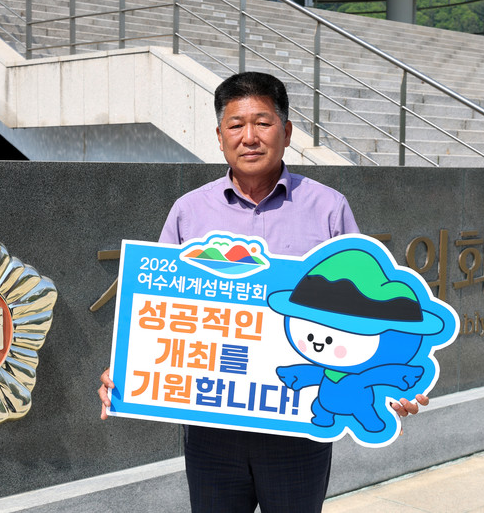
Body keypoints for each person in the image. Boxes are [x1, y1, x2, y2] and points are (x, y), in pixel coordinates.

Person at [98, 71, 428, 512]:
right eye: (236, 125)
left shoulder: (328, 208)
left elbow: (364, 311)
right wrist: (126, 368)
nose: (249, 137)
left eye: (263, 123)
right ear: (220, 136)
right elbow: (158, 310)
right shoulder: (188, 211)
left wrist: (394, 383)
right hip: (212, 431)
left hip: (297, 430)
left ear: (286, 132)